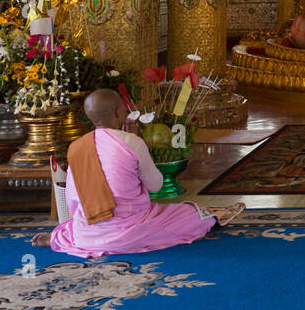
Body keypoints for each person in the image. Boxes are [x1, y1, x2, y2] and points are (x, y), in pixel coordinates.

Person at [31, 89, 243, 256]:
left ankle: (61, 238)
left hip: (86, 233)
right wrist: (140, 146)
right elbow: (156, 186)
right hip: (131, 231)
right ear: (117, 112)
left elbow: (72, 201)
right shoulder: (133, 142)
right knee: (191, 214)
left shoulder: (76, 147)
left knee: (76, 225)